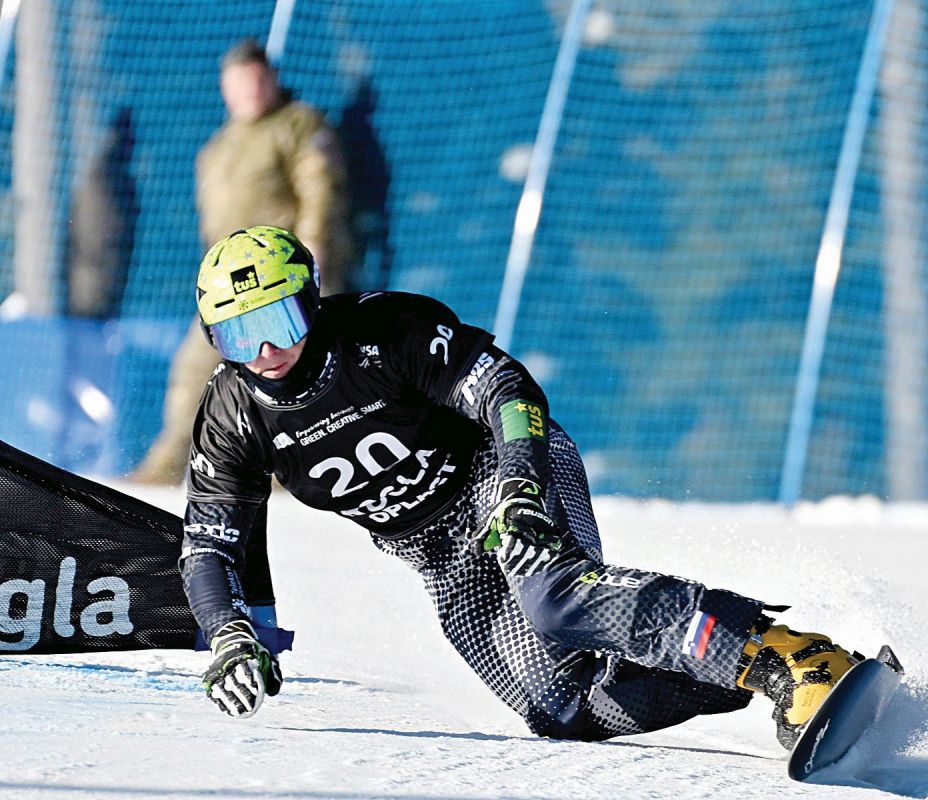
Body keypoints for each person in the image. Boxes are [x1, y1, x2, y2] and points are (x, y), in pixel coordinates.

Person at [180, 225, 861, 747]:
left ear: (311, 301)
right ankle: (746, 670)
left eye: (279, 323)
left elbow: (507, 389)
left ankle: (795, 659)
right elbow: (209, 546)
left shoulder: (383, 331)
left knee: (555, 601)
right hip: (437, 554)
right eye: (238, 336)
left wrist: (519, 487)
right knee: (563, 709)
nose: (265, 352)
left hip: (499, 475)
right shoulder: (231, 415)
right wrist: (231, 634)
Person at [128, 38, 351, 485]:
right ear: (225, 89)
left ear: (272, 80)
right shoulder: (218, 146)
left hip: (282, 282)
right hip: (231, 288)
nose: (250, 90)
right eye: (239, 82)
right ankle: (170, 465)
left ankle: (295, 470)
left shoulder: (297, 124)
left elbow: (320, 186)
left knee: (297, 372)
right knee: (196, 368)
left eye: (257, 80)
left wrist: (314, 243)